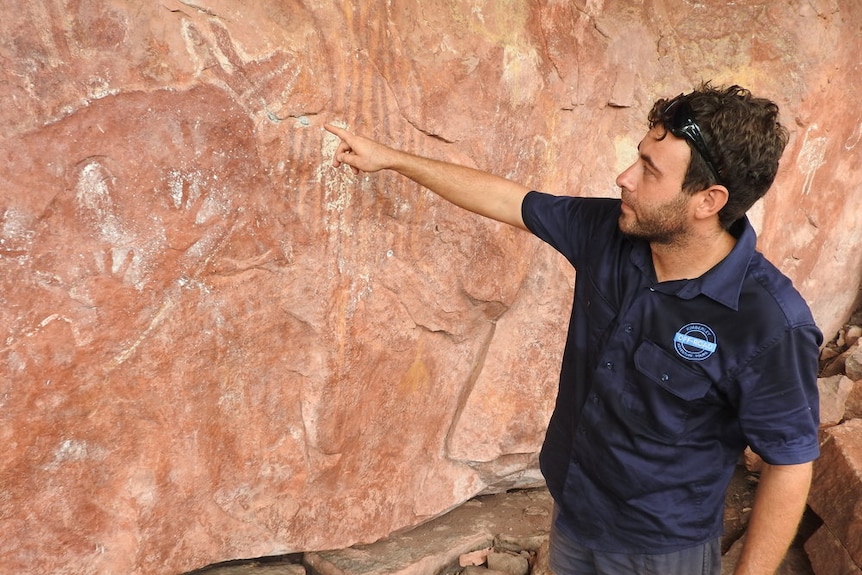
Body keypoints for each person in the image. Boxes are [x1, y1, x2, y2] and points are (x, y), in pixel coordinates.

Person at [324, 82, 821, 575]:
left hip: (659, 552)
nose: (624, 177)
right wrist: (391, 159)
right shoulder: (607, 233)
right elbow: (509, 201)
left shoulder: (770, 322)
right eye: (638, 157)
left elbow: (790, 463)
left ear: (708, 200)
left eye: (649, 170)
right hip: (572, 510)